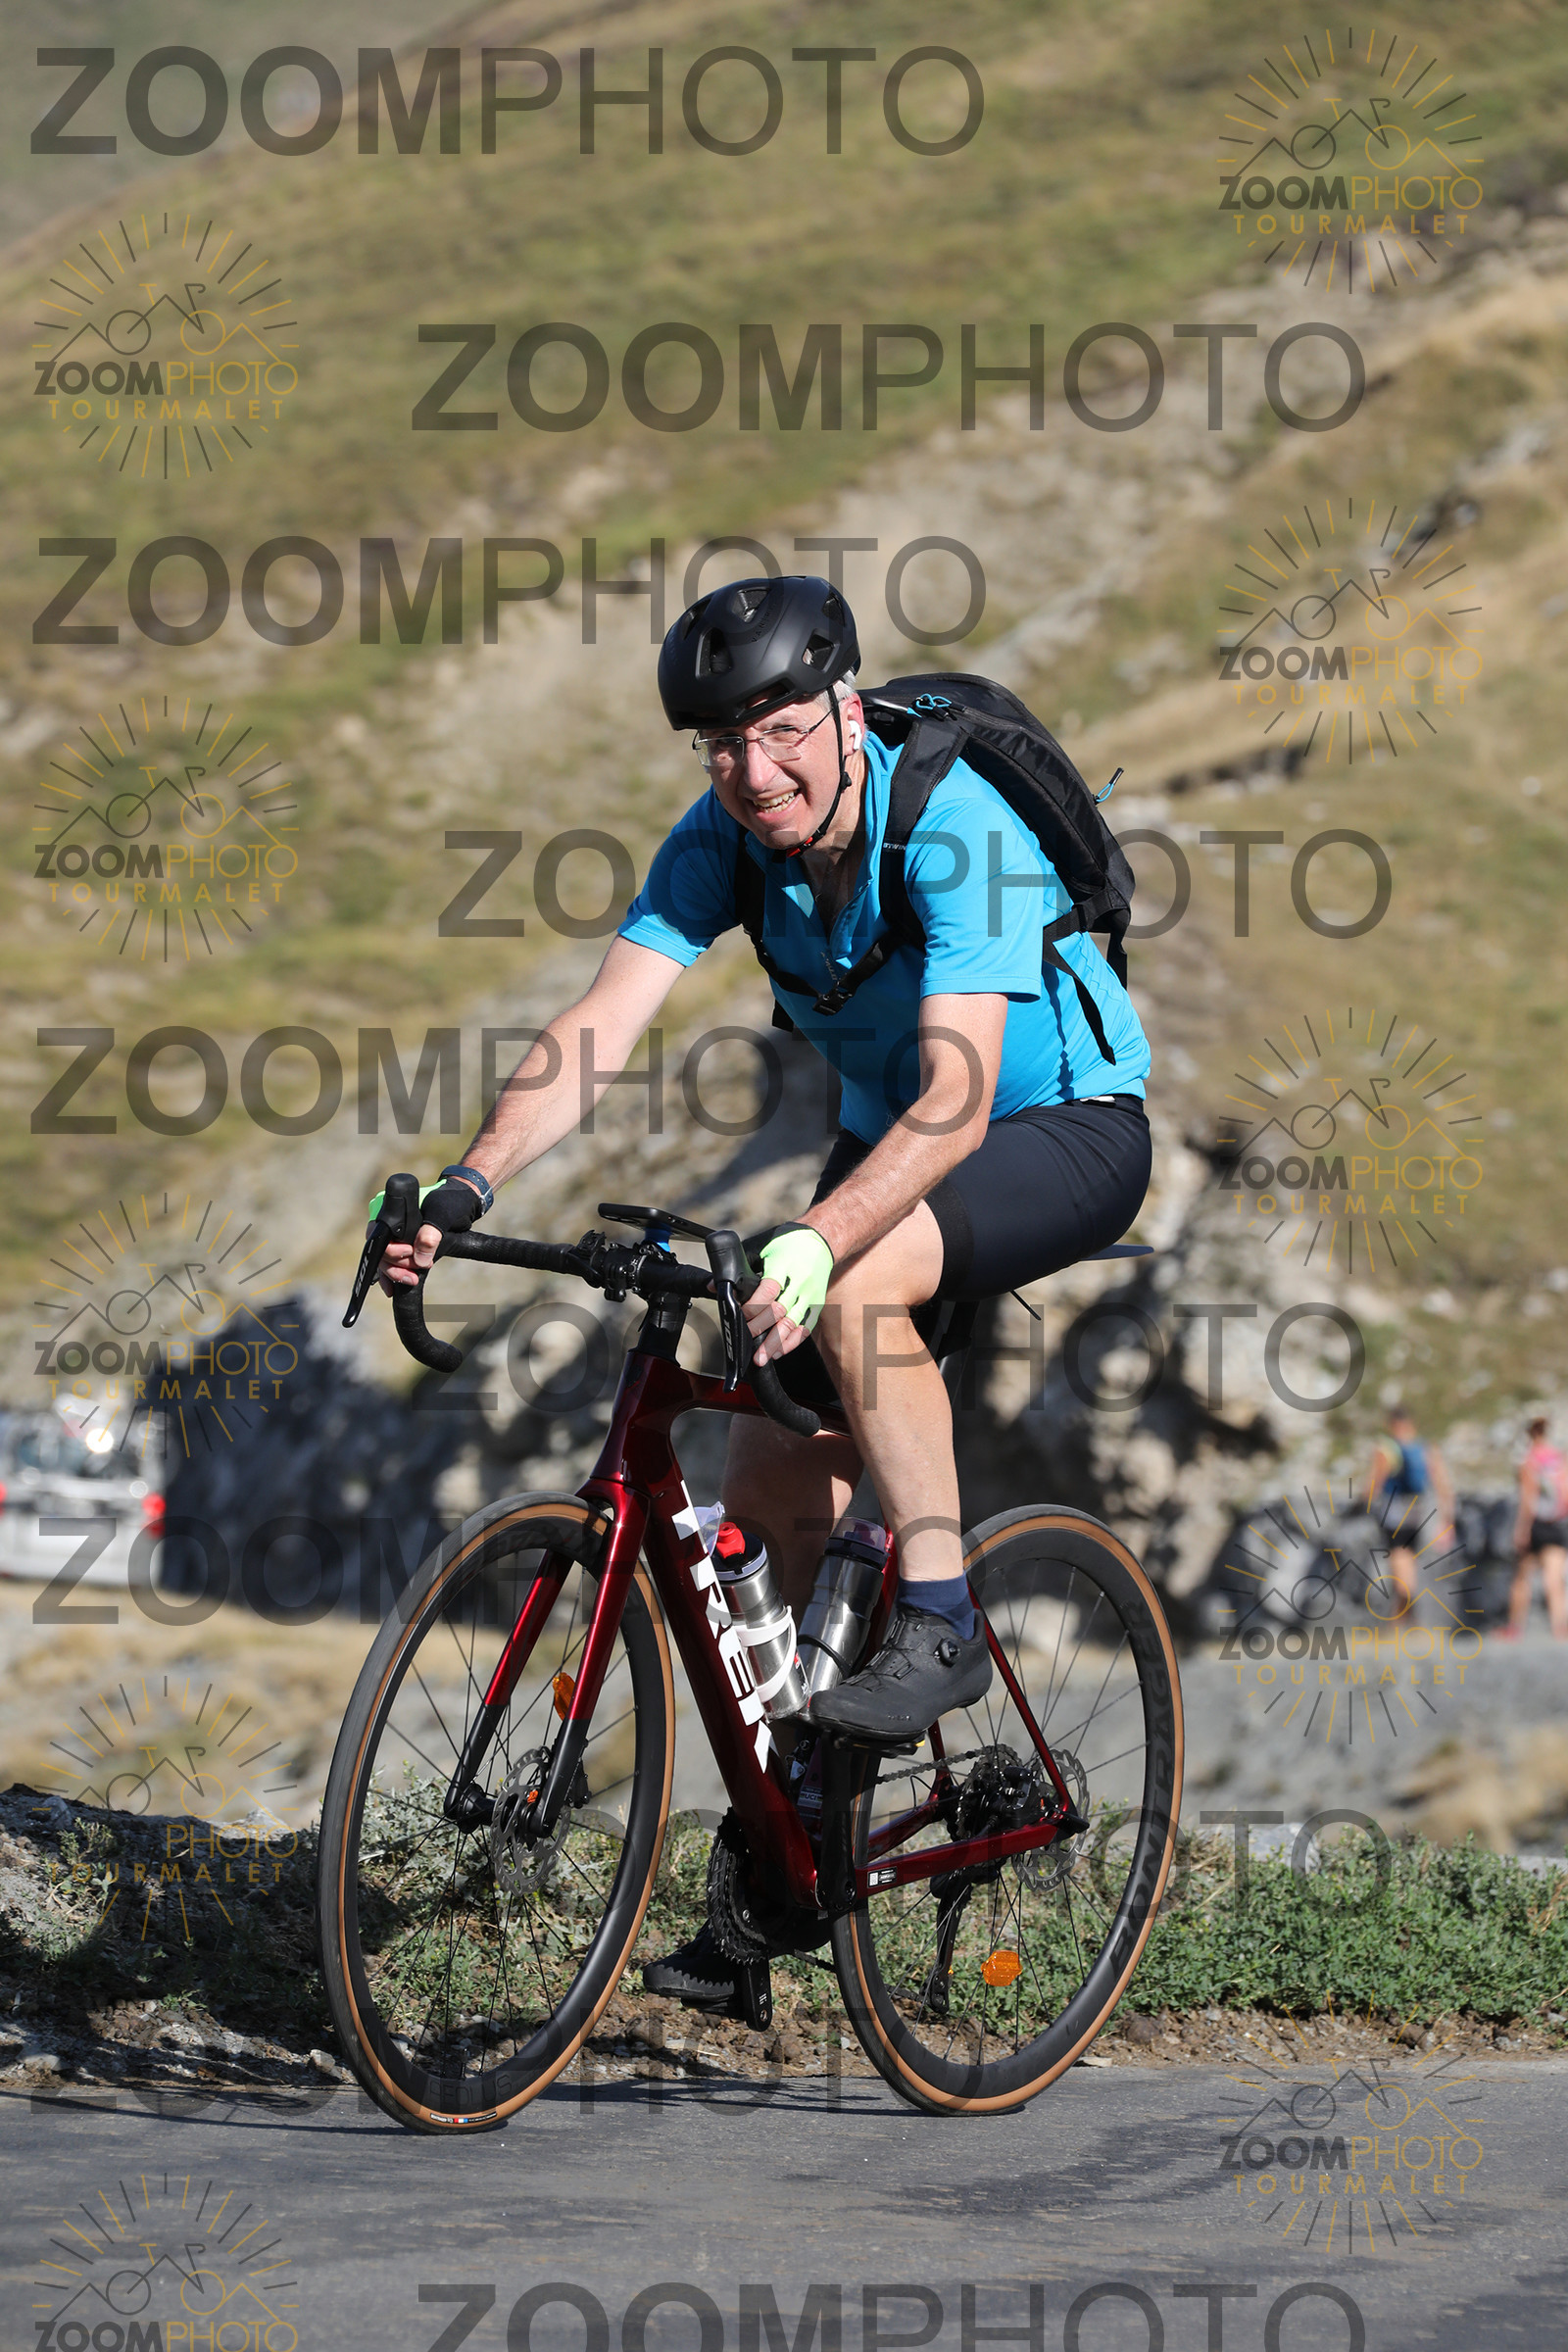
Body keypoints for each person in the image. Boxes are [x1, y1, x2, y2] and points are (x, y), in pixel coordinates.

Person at [373, 574, 1152, 2001]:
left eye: (783, 728)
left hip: (1057, 1128)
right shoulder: (721, 841)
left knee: (844, 1287)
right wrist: (469, 1184)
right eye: (723, 743)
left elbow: (958, 1102)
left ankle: (940, 1621)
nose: (754, 768)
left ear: (845, 710)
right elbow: (600, 1026)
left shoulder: (957, 826)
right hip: (892, 1137)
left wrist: (818, 1238)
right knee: (763, 1458)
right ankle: (795, 1840)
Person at [1364, 1407, 1453, 1616]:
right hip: (1418, 1508)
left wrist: (1362, 1504)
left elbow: (1374, 1481)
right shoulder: (1426, 1447)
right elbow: (1441, 1482)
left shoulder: (1387, 1448)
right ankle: (1407, 1605)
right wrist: (1447, 1516)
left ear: (1392, 1424)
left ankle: (1405, 1601)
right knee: (1409, 1554)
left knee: (1398, 1554)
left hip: (1394, 1509)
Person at [1502, 1416, 1568, 1640]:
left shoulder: (1529, 1460)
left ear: (1530, 1434)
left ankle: (1514, 1627)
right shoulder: (1559, 1459)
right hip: (1558, 1524)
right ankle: (1560, 1628)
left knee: (1522, 1577)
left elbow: (1528, 1498)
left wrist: (1522, 1529)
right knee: (1554, 1579)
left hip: (1537, 1524)